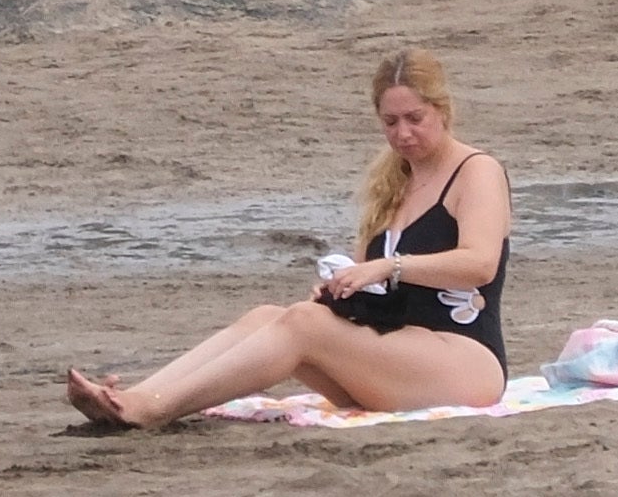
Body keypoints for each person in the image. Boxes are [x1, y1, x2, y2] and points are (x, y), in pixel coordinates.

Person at [58, 44, 513, 430]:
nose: (403, 133)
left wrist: (389, 265)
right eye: (390, 122)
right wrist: (342, 291)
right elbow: (373, 287)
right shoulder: (393, 184)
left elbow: (479, 263)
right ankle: (135, 397)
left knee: (300, 323)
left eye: (415, 118)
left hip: (465, 360)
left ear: (443, 110)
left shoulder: (476, 172)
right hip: (398, 352)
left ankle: (151, 411)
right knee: (267, 316)